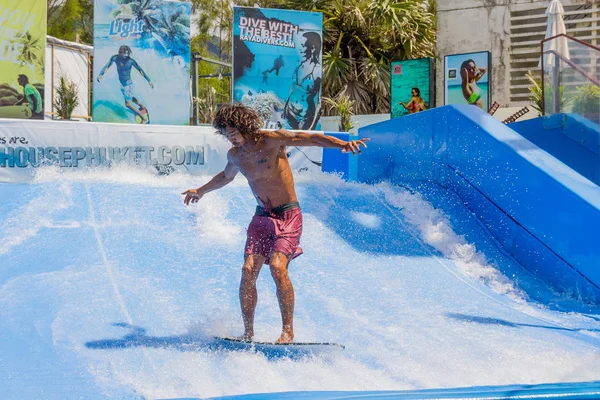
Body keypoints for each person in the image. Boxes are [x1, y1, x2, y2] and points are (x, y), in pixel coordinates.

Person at [182, 103, 369, 344]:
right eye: (226, 133)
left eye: (233, 132)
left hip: (288, 215)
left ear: (243, 126)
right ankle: (248, 333)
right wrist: (201, 190)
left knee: (278, 268)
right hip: (262, 217)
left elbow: (308, 138)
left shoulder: (271, 140)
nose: (230, 137)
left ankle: (287, 332)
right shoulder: (235, 155)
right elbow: (225, 177)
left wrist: (342, 144)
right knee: (248, 270)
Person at [96, 45, 154, 123]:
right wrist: (101, 74)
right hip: (122, 84)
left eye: (126, 54)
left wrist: (149, 81)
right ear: (120, 52)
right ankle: (141, 106)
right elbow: (107, 66)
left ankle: (143, 118)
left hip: (128, 84)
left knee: (128, 104)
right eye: (123, 53)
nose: (125, 55)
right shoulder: (115, 58)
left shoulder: (130, 61)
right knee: (130, 97)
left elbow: (140, 70)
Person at [284, 31, 322, 130]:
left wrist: (312, 126)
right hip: (290, 112)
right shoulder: (298, 66)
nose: (300, 49)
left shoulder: (317, 71)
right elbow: (292, 89)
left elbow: (319, 101)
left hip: (305, 116)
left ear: (313, 48)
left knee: (302, 142)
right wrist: (285, 108)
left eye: (303, 46)